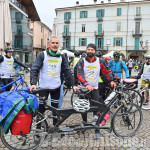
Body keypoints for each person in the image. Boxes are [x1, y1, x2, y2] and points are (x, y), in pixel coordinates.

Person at [30, 36, 78, 125]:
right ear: (49, 44)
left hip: (56, 87)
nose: (55, 45)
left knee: (55, 109)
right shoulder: (42, 55)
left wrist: (73, 85)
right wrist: (33, 83)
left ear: (58, 45)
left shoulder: (61, 56)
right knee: (41, 109)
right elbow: (35, 68)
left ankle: (55, 127)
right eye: (53, 43)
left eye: (56, 43)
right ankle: (38, 130)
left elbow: (67, 71)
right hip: (43, 87)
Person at [76, 43, 114, 138]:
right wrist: (86, 84)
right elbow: (79, 74)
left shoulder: (100, 61)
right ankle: (85, 124)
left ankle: (97, 128)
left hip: (95, 89)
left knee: (96, 109)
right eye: (88, 49)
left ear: (95, 51)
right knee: (83, 108)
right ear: (86, 50)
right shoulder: (82, 61)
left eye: (92, 50)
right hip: (83, 89)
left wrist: (111, 80)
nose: (90, 51)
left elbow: (107, 71)